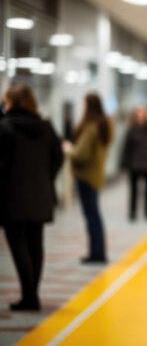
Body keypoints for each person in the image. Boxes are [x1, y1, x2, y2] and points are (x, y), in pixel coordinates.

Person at [0, 84, 63, 310]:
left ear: (13, 104)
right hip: (40, 195)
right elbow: (58, 156)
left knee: (18, 247)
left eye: (6, 102)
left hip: (12, 198)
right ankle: (32, 294)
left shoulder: (6, 128)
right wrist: (47, 179)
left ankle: (30, 297)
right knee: (36, 245)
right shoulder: (46, 127)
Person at [66, 93, 111, 263]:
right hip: (96, 175)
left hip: (86, 176)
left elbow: (80, 154)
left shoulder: (90, 128)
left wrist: (68, 148)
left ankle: (96, 253)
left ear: (89, 106)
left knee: (91, 215)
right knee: (95, 214)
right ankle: (98, 251)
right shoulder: (102, 126)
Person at [120, 106, 147, 221]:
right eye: (138, 114)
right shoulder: (131, 131)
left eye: (143, 114)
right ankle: (133, 212)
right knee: (134, 190)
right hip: (134, 165)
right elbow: (126, 149)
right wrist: (124, 164)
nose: (141, 116)